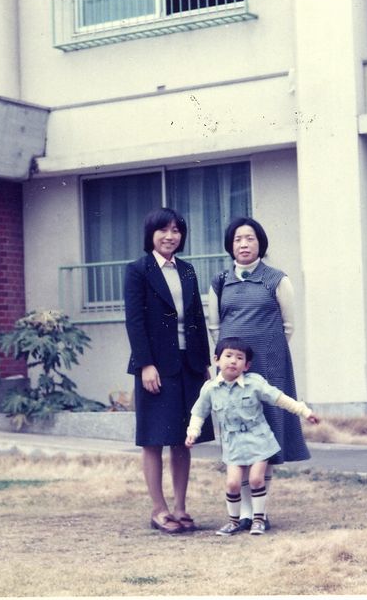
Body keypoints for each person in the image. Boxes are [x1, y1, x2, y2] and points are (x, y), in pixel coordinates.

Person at [207, 216, 309, 531]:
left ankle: (260, 513)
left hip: (269, 365)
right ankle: (246, 513)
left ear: (260, 243)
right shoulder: (221, 282)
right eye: (238, 239)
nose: (244, 244)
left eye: (250, 238)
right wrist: (231, 363)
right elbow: (215, 326)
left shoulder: (277, 279)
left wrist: (265, 354)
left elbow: (288, 326)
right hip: (231, 373)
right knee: (238, 433)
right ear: (230, 246)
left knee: (265, 434)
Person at [124, 207, 215, 534]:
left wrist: (205, 364)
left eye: (176, 230)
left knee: (183, 439)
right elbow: (134, 321)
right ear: (151, 234)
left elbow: (196, 319)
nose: (170, 236)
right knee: (153, 440)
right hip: (156, 367)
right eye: (163, 230)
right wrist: (145, 364)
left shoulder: (187, 270)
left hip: (188, 364)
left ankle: (180, 507)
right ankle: (159, 509)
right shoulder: (137, 270)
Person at [185, 337, 319, 535]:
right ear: (216, 360)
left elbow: (279, 398)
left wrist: (304, 412)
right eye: (228, 356)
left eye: (239, 358)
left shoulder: (255, 384)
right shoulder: (210, 389)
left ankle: (258, 519)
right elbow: (199, 413)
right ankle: (234, 521)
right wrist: (192, 432)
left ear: (246, 365)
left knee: (256, 479)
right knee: (232, 483)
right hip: (233, 444)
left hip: (259, 439)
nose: (233, 361)